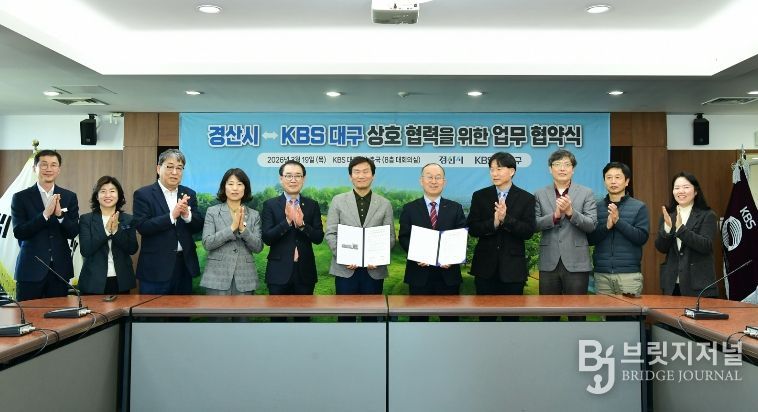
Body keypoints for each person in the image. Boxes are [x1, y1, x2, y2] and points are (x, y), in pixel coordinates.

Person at [325, 156, 395, 322]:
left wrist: (378, 258)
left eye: (365, 171)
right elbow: (331, 233)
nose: (361, 175)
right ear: (350, 176)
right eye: (356, 172)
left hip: (373, 271)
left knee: (371, 317)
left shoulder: (385, 203)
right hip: (345, 270)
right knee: (345, 318)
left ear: (373, 175)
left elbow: (390, 236)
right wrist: (343, 256)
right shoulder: (338, 201)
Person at [468, 152, 536, 321]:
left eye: (499, 169)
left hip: (513, 270)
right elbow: (473, 228)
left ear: (512, 171)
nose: (494, 173)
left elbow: (528, 231)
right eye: (491, 169)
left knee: (511, 320)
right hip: (485, 268)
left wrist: (506, 219)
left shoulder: (526, 198)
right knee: (485, 318)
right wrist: (494, 222)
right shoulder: (480, 196)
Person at [399, 163, 466, 321]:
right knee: (418, 322)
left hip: (448, 275)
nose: (434, 181)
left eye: (438, 177)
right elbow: (404, 237)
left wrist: (452, 258)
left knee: (450, 321)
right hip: (419, 274)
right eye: (429, 177)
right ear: (421, 181)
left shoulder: (455, 208)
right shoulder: (409, 208)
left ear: (444, 182)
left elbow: (461, 236)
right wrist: (417, 255)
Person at [534, 149, 597, 320]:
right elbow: (534, 224)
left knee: (577, 314)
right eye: (557, 164)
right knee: (548, 314)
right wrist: (554, 216)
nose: (562, 168)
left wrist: (571, 213)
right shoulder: (540, 194)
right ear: (550, 169)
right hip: (549, 261)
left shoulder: (586, 193)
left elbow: (591, 225)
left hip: (577, 261)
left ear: (573, 169)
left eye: (567, 164)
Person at [133, 149, 204, 294]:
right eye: (170, 167)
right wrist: (172, 216)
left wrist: (187, 215)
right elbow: (143, 227)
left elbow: (198, 226)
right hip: (156, 268)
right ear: (158, 169)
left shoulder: (189, 193)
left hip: (184, 266)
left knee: (183, 308)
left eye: (179, 168)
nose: (174, 172)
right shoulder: (143, 194)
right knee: (153, 309)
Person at [11, 149, 79, 301]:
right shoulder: (20, 198)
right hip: (30, 270)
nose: (49, 169)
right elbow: (19, 232)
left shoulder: (69, 196)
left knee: (58, 314)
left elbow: (73, 231)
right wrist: (44, 215)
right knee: (28, 313)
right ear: (35, 168)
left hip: (59, 271)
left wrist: (60, 215)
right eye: (44, 164)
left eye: (53, 165)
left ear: (59, 169)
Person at [262, 161, 324, 321]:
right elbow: (267, 238)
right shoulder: (270, 205)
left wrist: (302, 225)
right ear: (281, 178)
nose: (293, 179)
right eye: (288, 175)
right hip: (278, 272)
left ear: (304, 179)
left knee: (303, 320)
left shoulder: (312, 205)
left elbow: (318, 237)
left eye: (298, 176)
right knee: (277, 320)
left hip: (305, 272)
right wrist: (288, 222)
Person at [588, 162, 649, 297]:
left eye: (617, 177)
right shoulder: (596, 207)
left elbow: (641, 238)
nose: (613, 181)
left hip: (629, 275)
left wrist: (618, 222)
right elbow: (590, 239)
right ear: (604, 181)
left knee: (629, 311)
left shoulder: (639, 207)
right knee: (604, 311)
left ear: (627, 181)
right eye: (609, 177)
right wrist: (607, 227)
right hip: (602, 274)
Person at [654, 172, 718, 297]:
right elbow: (661, 248)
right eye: (677, 188)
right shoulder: (668, 215)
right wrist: (667, 228)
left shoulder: (707, 215)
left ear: (695, 191)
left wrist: (681, 229)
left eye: (686, 187)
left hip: (698, 284)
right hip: (672, 284)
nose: (681, 191)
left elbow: (706, 245)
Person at [201, 168, 263, 296]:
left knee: (244, 310)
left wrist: (243, 230)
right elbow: (207, 243)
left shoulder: (254, 215)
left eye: (239, 184)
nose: (235, 188)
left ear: (245, 188)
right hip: (217, 277)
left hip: (245, 277)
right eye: (230, 184)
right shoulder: (212, 212)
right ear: (224, 187)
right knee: (216, 310)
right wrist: (231, 228)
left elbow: (258, 247)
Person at [78, 176, 138, 295]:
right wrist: (106, 231)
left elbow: (132, 249)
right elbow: (85, 250)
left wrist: (116, 231)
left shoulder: (128, 219)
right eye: (103, 191)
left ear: (119, 195)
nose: (108, 195)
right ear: (97, 196)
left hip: (121, 280)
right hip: (93, 280)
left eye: (112, 191)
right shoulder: (86, 219)